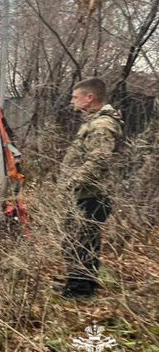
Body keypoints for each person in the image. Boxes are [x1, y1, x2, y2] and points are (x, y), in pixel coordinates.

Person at [57, 77, 123, 298]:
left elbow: (99, 160)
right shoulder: (93, 121)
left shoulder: (102, 125)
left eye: (76, 97)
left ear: (89, 98)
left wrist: (71, 182)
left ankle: (81, 290)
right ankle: (77, 282)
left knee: (82, 241)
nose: (72, 101)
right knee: (78, 239)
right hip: (85, 193)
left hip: (91, 194)